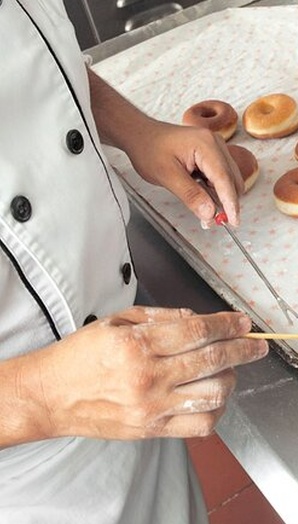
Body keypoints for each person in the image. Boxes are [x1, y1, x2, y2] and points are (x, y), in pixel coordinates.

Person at [1, 0, 268, 522]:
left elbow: (29, 59)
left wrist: (137, 129)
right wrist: (45, 397)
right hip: (28, 482)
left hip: (136, 381)